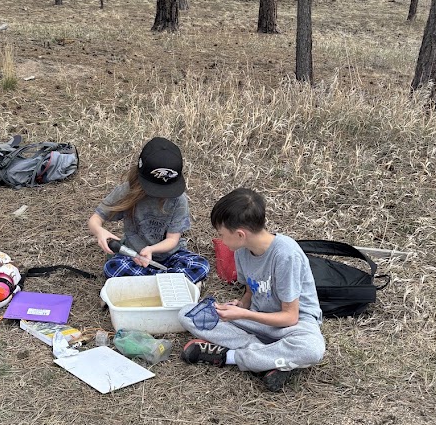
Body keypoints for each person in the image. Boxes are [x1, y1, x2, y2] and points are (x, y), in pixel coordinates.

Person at [179, 188, 325, 392]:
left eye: (221, 234)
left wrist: (244, 314)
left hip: (294, 326)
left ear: (240, 234)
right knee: (187, 314)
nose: (220, 240)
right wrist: (240, 305)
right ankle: (271, 359)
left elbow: (290, 317)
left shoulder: (285, 255)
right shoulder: (242, 251)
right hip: (256, 319)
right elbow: (250, 291)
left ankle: (229, 357)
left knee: (311, 349)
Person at [88, 137, 209, 283]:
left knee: (200, 265)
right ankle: (170, 282)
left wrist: (151, 250)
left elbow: (172, 239)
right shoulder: (127, 191)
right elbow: (95, 219)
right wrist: (100, 231)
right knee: (113, 267)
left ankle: (146, 282)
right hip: (134, 255)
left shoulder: (178, 200)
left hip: (170, 255)